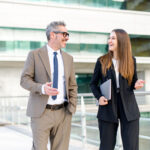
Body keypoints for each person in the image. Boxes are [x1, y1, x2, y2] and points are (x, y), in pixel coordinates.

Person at [20, 21, 77, 150]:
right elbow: (24, 80)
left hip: (63, 113)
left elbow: (73, 85)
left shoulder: (69, 58)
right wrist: (42, 88)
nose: (67, 37)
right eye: (64, 34)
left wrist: (72, 108)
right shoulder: (34, 55)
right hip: (41, 113)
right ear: (52, 35)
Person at [90, 29, 144, 150]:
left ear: (122, 41)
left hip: (129, 107)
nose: (109, 40)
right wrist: (99, 97)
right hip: (107, 106)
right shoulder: (101, 61)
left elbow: (133, 81)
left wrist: (136, 84)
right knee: (106, 146)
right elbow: (93, 84)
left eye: (113, 38)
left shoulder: (131, 60)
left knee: (131, 146)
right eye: (109, 38)